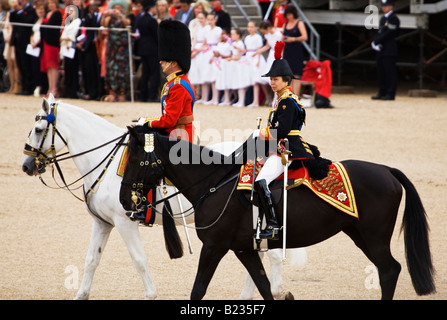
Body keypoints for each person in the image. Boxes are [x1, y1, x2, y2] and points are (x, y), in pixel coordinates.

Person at [253, 41, 314, 240]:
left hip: (287, 148)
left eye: (276, 79)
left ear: (286, 80)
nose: (272, 83)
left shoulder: (287, 102)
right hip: (279, 145)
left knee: (261, 181)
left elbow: (283, 131)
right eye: (271, 79)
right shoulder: (281, 99)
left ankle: (273, 226)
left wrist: (261, 134)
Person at [136, 19, 196, 143]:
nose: (160, 61)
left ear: (174, 63)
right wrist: (147, 120)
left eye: (165, 60)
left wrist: (148, 123)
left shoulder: (178, 86)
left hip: (180, 136)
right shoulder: (174, 82)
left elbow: (169, 120)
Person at [102, 0, 131, 102]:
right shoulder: (109, 18)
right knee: (111, 70)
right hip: (112, 49)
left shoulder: (126, 17)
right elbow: (103, 25)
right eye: (116, 8)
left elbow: (127, 24)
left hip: (122, 50)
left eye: (119, 8)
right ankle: (112, 93)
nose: (117, 10)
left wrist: (120, 16)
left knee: (122, 71)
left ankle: (122, 93)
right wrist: (105, 15)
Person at [371, 0, 400, 101]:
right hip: (381, 49)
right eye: (383, 6)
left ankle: (390, 93)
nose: (384, 8)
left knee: (389, 72)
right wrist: (375, 41)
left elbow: (389, 33)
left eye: (386, 6)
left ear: (391, 6)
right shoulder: (383, 18)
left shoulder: (394, 19)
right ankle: (382, 92)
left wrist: (377, 41)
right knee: (381, 71)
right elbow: (379, 31)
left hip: (389, 49)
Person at [10, 0, 37, 95]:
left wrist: (20, 11)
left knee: (26, 64)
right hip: (17, 42)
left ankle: (28, 88)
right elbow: (12, 21)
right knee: (20, 64)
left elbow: (28, 20)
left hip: (26, 42)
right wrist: (14, 10)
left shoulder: (31, 9)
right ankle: (24, 86)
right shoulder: (18, 11)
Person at [135, 0, 160, 102]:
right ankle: (152, 95)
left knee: (145, 72)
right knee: (154, 72)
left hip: (143, 48)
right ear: (151, 8)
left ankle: (143, 95)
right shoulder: (152, 20)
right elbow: (156, 36)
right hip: (152, 49)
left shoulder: (141, 19)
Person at [78, 0, 101, 100]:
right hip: (88, 46)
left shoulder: (100, 16)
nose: (92, 8)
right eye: (91, 6)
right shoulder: (86, 16)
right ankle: (90, 92)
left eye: (94, 6)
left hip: (98, 46)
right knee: (88, 70)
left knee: (98, 71)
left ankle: (98, 93)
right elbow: (85, 26)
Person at [282, 5, 307, 96]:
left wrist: (293, 39)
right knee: (288, 76)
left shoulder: (299, 23)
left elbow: (305, 37)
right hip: (287, 51)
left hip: (296, 50)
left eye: (290, 14)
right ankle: (290, 96)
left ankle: (296, 96)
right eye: (287, 15)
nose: (288, 16)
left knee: (296, 75)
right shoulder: (285, 24)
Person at [40, 0, 61, 98]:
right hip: (46, 43)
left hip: (53, 43)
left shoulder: (57, 13)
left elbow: (50, 28)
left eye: (52, 3)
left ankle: (54, 88)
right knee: (48, 66)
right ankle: (50, 87)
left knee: (53, 65)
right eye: (49, 3)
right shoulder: (47, 14)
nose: (51, 5)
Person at [60, 4, 81, 98]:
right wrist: (65, 39)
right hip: (66, 47)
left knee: (73, 70)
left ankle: (73, 92)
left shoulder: (77, 21)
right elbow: (63, 35)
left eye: (72, 11)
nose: (70, 13)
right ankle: (67, 91)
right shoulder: (68, 22)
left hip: (72, 48)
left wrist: (66, 39)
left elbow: (73, 35)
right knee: (67, 69)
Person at [1, 0, 20, 94]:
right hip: (7, 41)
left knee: (15, 63)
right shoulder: (8, 14)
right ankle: (11, 85)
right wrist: (6, 37)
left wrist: (10, 37)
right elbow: (5, 27)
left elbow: (15, 27)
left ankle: (17, 85)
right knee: (9, 64)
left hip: (13, 41)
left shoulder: (16, 13)